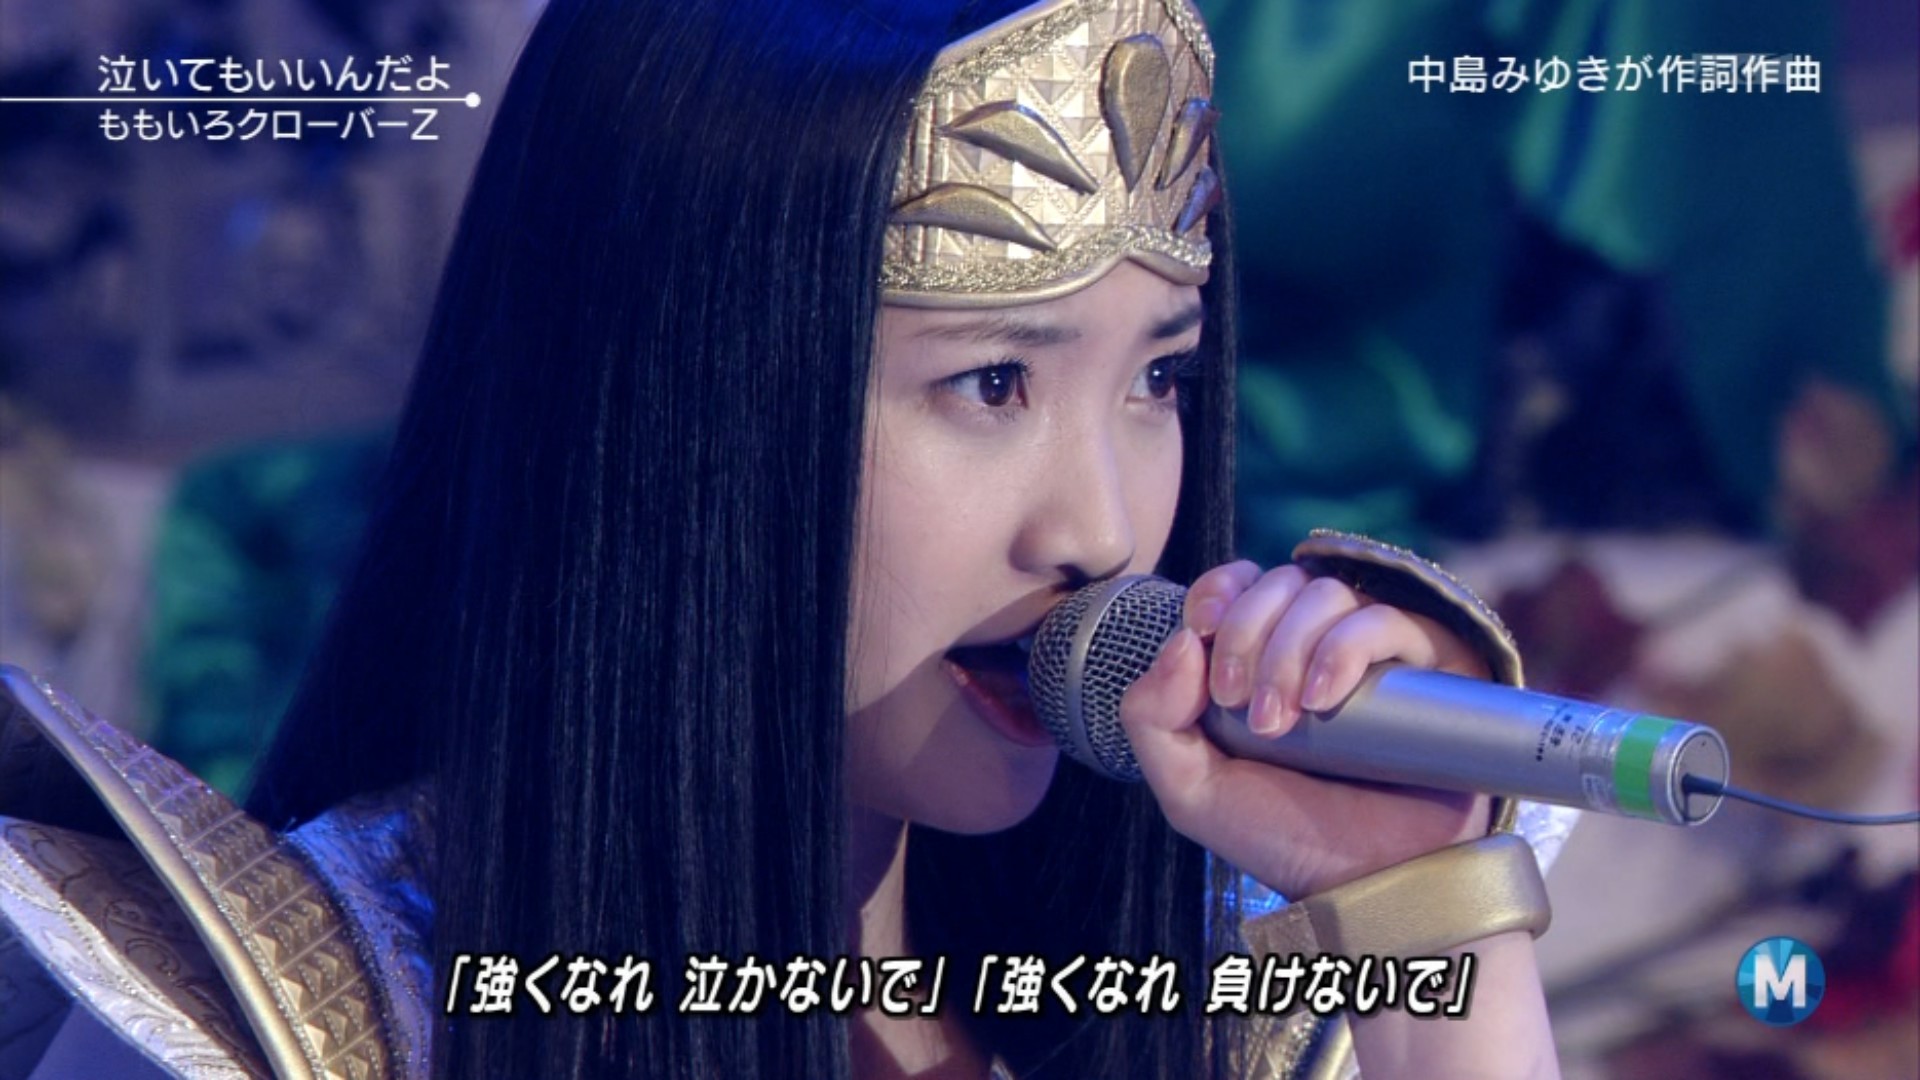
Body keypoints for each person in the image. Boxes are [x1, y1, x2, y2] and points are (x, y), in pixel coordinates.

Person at [0, 1, 1574, 1077]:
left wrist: (1427, 916)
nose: (1103, 528)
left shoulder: (1233, 1001)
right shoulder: (292, 1025)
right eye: (993, 382)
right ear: (675, 414)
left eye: (1158, 378)